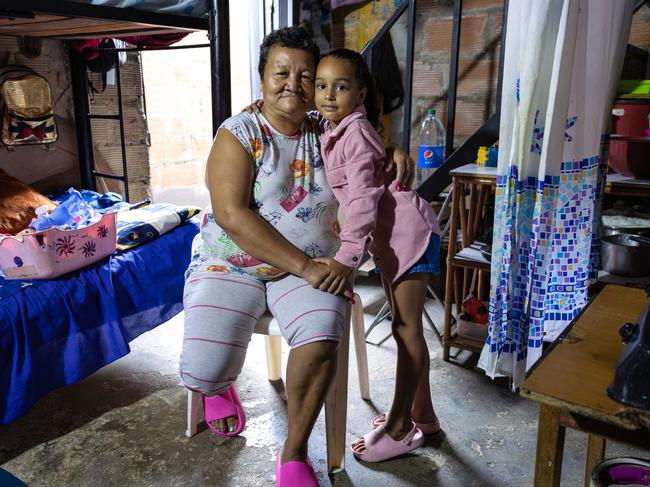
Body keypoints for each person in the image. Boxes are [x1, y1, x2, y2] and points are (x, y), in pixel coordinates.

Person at [179, 27, 414, 487]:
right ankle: (219, 386)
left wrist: (391, 150)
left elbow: (361, 146)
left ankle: (294, 454)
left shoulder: (327, 128)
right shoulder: (239, 133)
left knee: (323, 334)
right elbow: (230, 213)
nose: (294, 83)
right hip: (233, 264)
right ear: (262, 76)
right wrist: (305, 267)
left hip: (311, 269)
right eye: (281, 72)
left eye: (306, 75)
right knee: (202, 370)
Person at [312, 48, 443, 463]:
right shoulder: (335, 127)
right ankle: (424, 416)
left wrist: (347, 258)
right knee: (406, 326)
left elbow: (366, 199)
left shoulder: (358, 133)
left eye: (341, 86)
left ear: (361, 93)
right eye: (320, 86)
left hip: (409, 236)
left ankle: (403, 427)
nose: (328, 95)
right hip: (392, 242)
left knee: (407, 330)